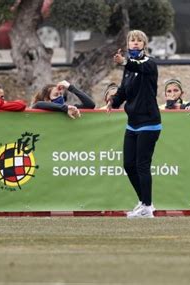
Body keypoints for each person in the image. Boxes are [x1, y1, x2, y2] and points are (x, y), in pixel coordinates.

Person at [107, 30, 161, 219]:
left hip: (149, 122)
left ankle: (147, 207)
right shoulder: (129, 67)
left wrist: (124, 62)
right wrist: (113, 102)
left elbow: (140, 67)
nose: (135, 43)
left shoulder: (149, 63)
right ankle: (144, 203)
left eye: (139, 41)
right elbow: (124, 90)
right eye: (132, 40)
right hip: (133, 123)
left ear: (144, 45)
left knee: (142, 165)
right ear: (128, 44)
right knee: (128, 165)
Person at [31, 80, 95, 119]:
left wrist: (70, 87)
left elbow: (90, 105)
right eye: (56, 95)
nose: (60, 97)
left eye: (61, 94)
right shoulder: (39, 109)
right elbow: (38, 104)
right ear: (47, 99)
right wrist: (65, 108)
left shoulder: (70, 110)